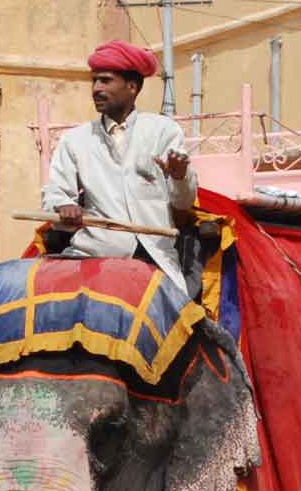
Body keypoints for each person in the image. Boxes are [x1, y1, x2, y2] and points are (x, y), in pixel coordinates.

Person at [42, 39, 197, 299]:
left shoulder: (163, 131)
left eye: (105, 81)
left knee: (181, 325)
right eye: (94, 81)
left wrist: (180, 176)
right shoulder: (75, 140)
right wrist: (62, 206)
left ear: (132, 87)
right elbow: (56, 191)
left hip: (154, 256)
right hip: (93, 253)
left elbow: (183, 203)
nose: (96, 89)